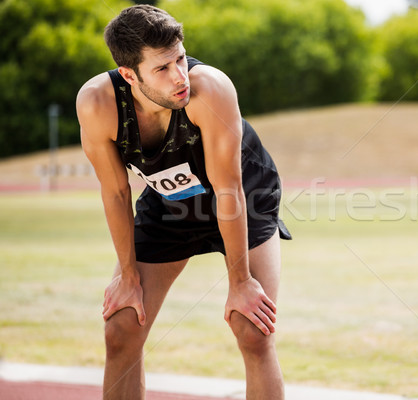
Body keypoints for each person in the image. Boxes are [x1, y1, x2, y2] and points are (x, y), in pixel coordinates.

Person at [76, 5, 291, 400]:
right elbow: (117, 192)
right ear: (128, 75)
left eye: (180, 59)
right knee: (122, 327)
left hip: (242, 194)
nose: (180, 77)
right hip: (170, 202)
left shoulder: (210, 89)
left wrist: (240, 283)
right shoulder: (97, 105)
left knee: (252, 329)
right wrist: (126, 275)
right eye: (162, 68)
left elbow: (228, 188)